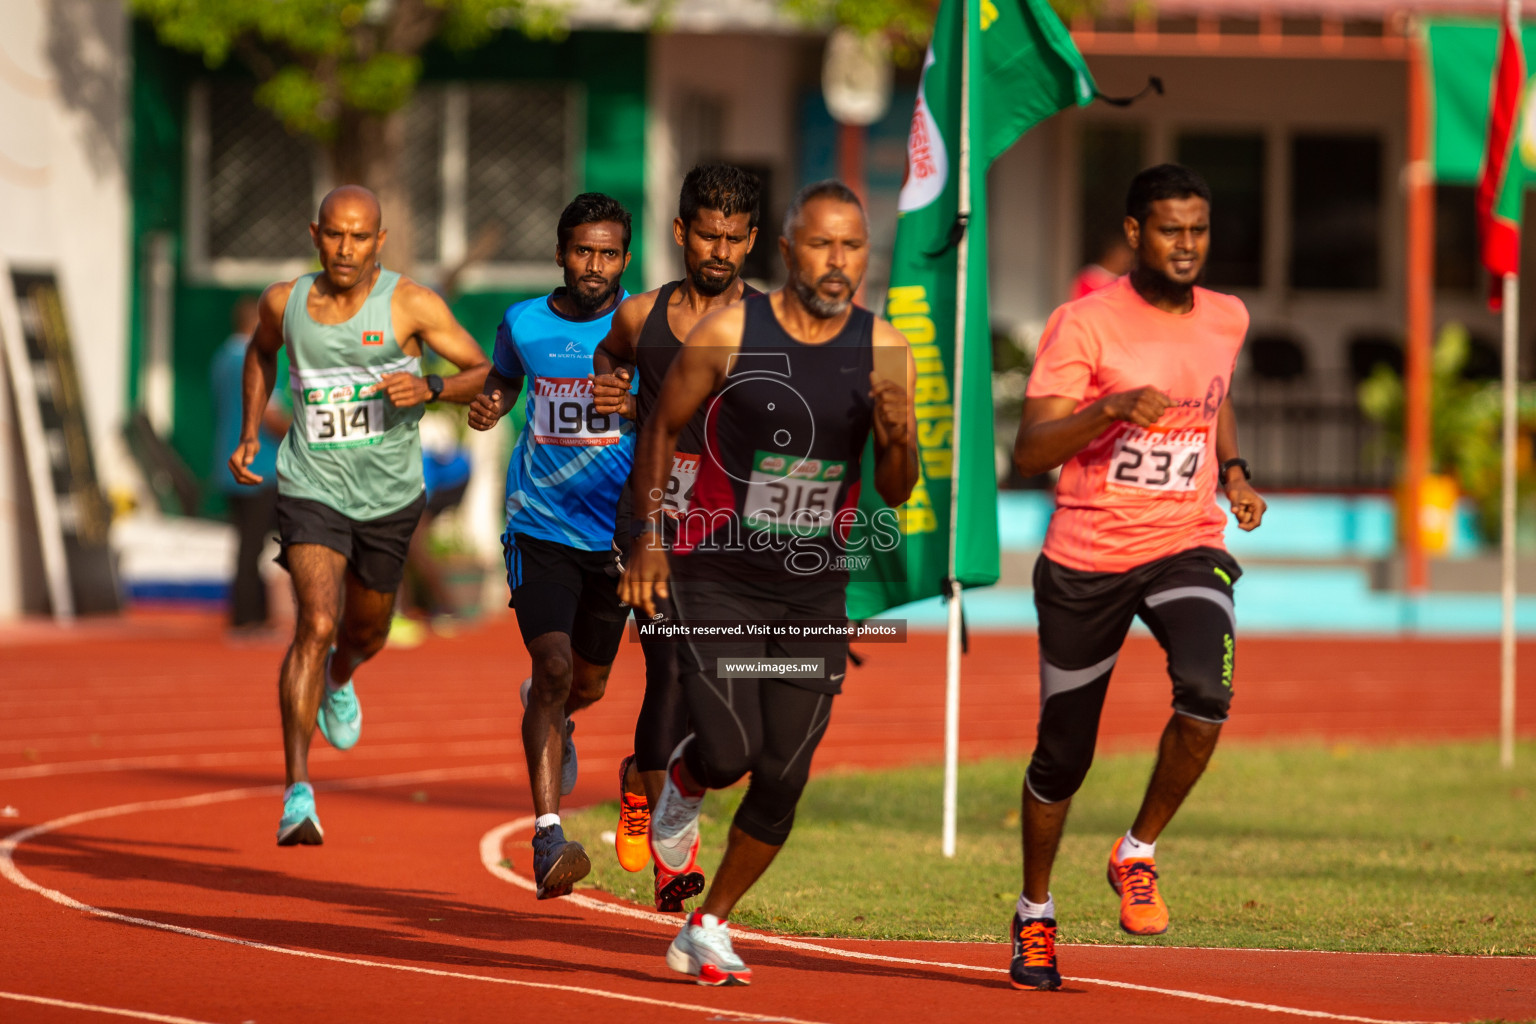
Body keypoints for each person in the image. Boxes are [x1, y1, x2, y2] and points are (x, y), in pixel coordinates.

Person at [620, 179, 917, 985]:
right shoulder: (731, 330)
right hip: (715, 573)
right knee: (729, 750)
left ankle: (708, 924)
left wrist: (896, 437)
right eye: (822, 244)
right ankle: (682, 780)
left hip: (812, 589)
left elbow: (894, 487)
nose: (838, 261)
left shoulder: (885, 348)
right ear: (788, 251)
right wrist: (648, 537)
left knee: (785, 772)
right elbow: (662, 424)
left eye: (852, 246)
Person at [1006, 164, 1267, 991]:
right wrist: (1109, 410)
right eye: (1169, 230)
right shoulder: (1084, 325)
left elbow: (1213, 392)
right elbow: (1031, 451)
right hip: (1087, 559)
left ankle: (1138, 850)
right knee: (1063, 755)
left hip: (1185, 542)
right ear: (1133, 233)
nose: (1186, 246)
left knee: (1207, 689)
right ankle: (1035, 914)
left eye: (1197, 230)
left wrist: (1234, 470)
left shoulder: (1227, 316)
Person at [229, 184, 490, 847]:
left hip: (390, 499)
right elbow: (261, 353)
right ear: (314, 233)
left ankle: (343, 676)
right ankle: (297, 791)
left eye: (360, 237)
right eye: (335, 234)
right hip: (310, 486)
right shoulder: (284, 302)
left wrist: (431, 386)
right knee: (315, 621)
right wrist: (251, 430)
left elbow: (483, 372)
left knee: (366, 631)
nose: (346, 248)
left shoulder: (410, 303)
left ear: (379, 242)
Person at [590, 163, 762, 912]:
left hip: (734, 526)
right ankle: (673, 858)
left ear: (751, 241)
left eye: (732, 238)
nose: (717, 251)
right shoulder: (640, 318)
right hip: (653, 515)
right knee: (669, 674)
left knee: (710, 694)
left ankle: (640, 775)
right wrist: (616, 395)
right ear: (679, 232)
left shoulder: (769, 321)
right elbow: (611, 362)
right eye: (706, 235)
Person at [466, 193, 636, 900]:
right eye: (582, 251)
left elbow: (687, 401)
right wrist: (492, 402)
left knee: (583, 684)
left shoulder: (645, 324)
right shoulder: (524, 322)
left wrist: (637, 404)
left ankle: (554, 709)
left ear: (624, 259)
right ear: (560, 252)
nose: (594, 266)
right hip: (539, 525)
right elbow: (505, 375)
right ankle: (547, 836)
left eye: (608, 253)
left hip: (617, 537)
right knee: (555, 659)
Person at [212, 296, 289, 632]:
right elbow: (271, 416)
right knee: (258, 544)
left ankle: (248, 613)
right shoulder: (255, 357)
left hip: (230, 463)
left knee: (247, 542)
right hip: (261, 465)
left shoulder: (220, 359)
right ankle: (249, 616)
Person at [1069, 235, 1134, 301]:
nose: (1129, 258)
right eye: (1124, 253)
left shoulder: (1125, 282)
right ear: (1111, 253)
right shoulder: (1089, 277)